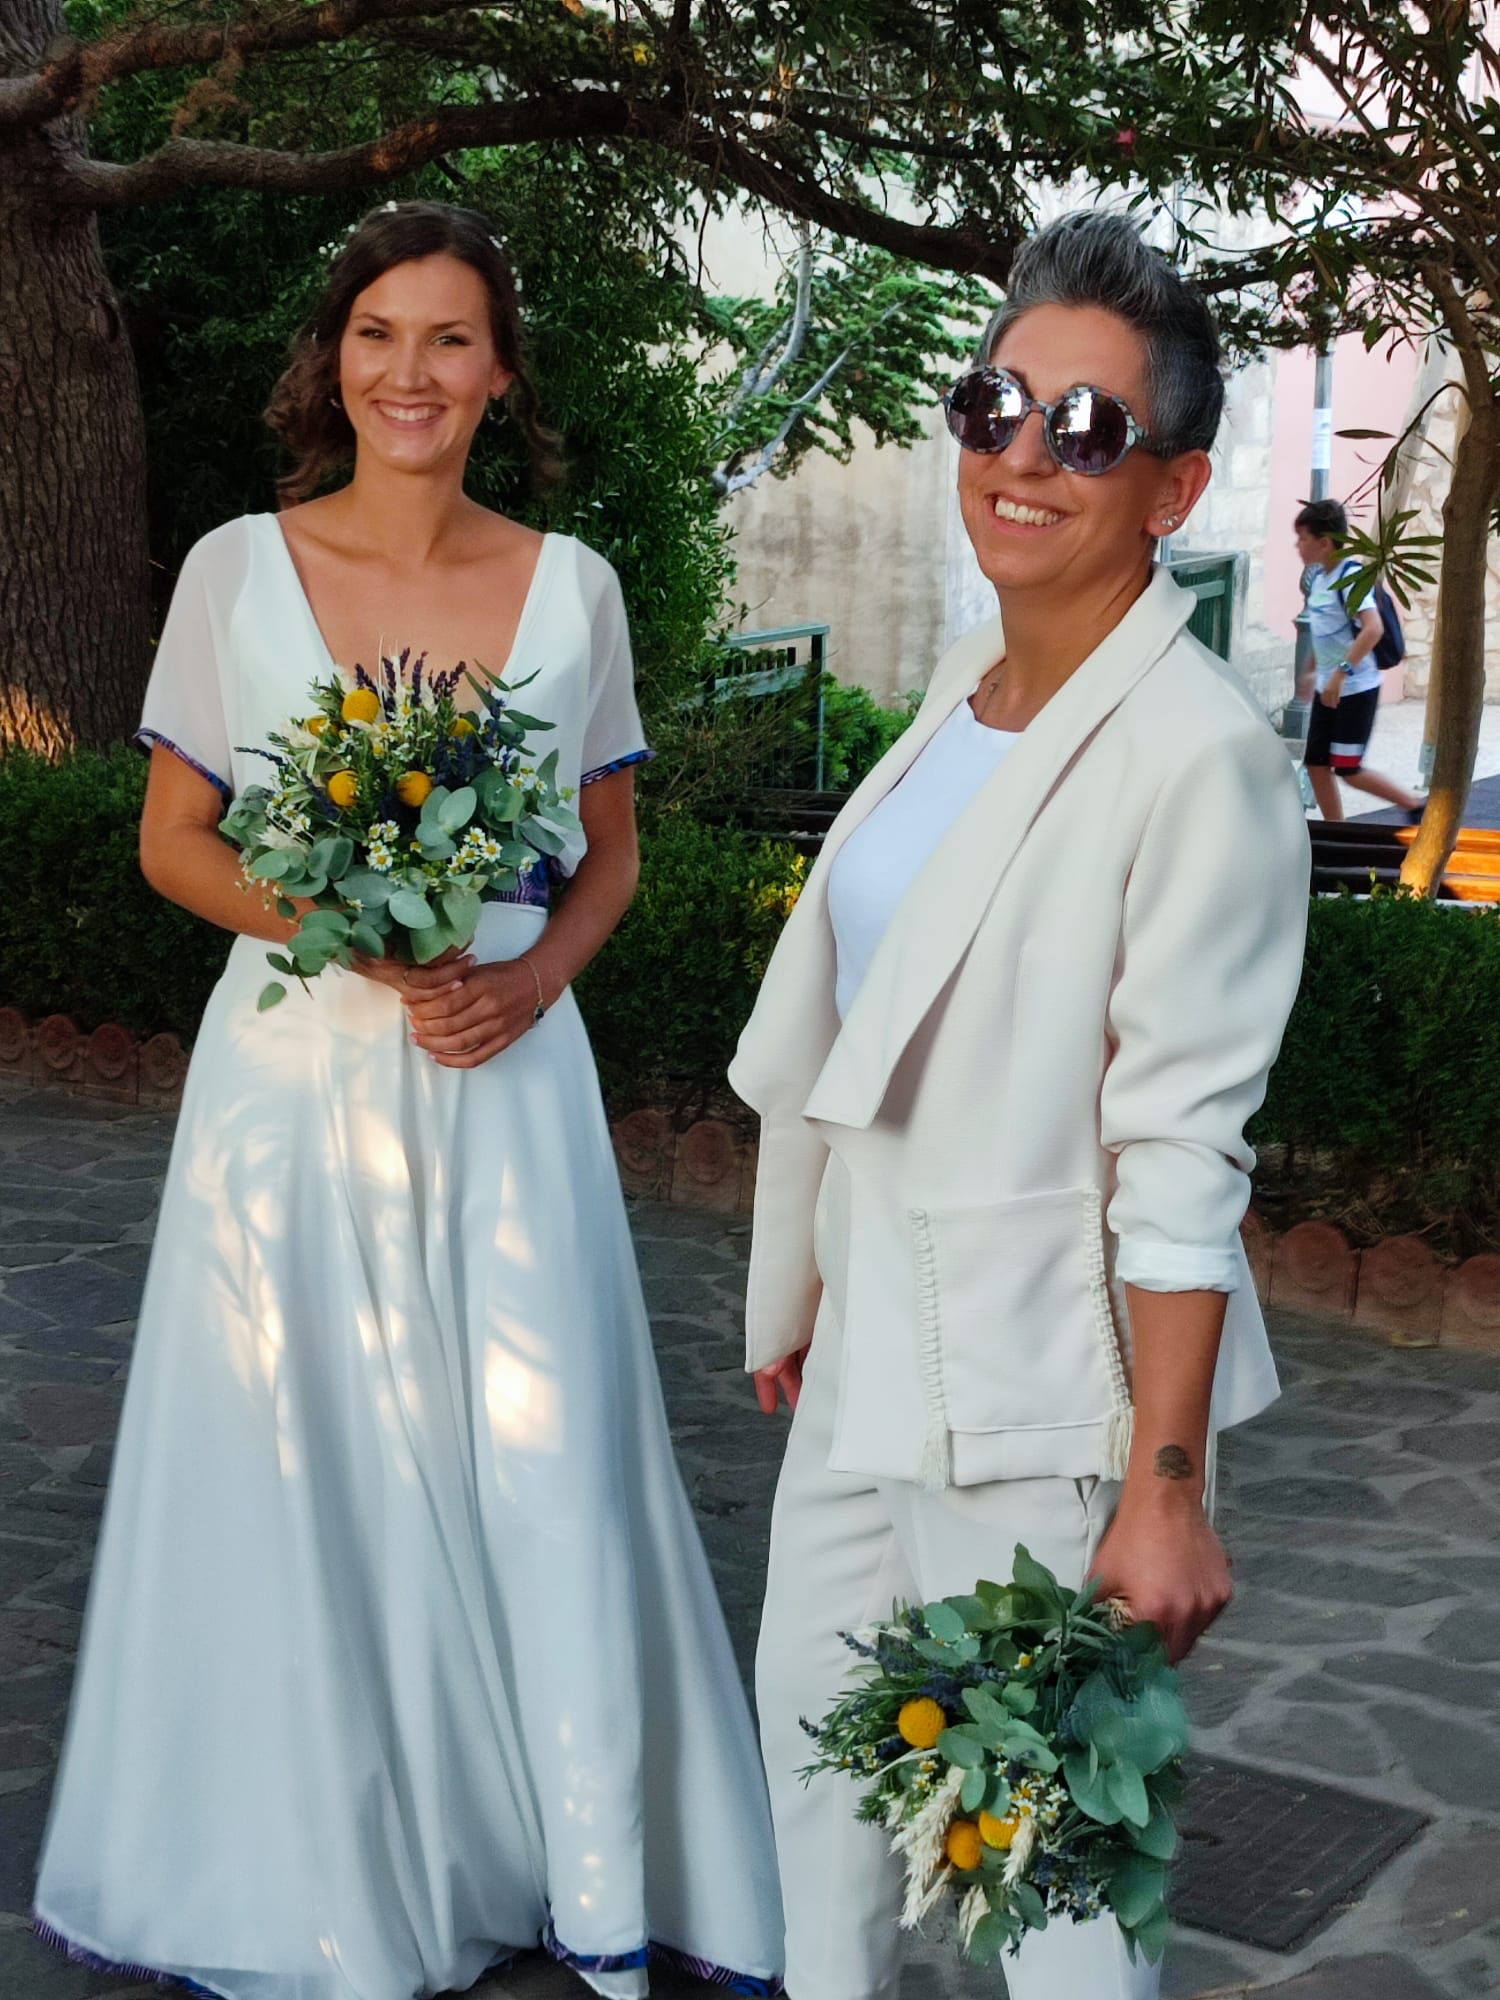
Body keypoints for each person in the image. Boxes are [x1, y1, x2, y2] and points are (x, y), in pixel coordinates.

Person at [34, 200, 784, 2000]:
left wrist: (529, 979)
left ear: (500, 373)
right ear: (336, 361)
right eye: (380, 334)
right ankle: (319, 1872)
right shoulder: (236, 570)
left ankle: (571, 1857)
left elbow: (608, 857)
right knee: (302, 1450)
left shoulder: (575, 588)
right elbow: (172, 843)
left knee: (540, 1450)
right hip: (296, 1071)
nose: (412, 373)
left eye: (451, 339)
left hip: (502, 1070)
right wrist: (356, 937)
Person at [729, 212, 1310, 2000]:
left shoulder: (1202, 760)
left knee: (1046, 1894)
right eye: (997, 406)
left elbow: (1182, 1150)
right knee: (815, 1801)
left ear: (1173, 487)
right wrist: (807, 1283)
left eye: (1089, 427)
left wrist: (1167, 1489)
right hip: (871, 1361)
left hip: (1045, 1400)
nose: (1025, 456)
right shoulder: (962, 699)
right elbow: (874, 1026)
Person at [1294, 497, 1422, 820]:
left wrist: (1340, 673)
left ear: (1325, 543)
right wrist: (1312, 672)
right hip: (1328, 689)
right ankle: (1336, 829)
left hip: (1355, 689)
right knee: (1316, 764)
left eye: (1303, 538)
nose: (1298, 545)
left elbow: (1373, 628)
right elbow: (1325, 632)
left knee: (1348, 769)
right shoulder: (1319, 579)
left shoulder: (1351, 579)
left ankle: (1414, 804)